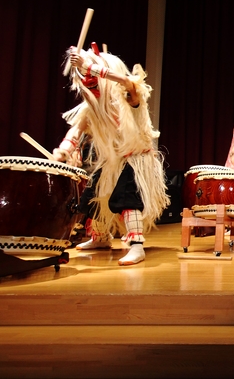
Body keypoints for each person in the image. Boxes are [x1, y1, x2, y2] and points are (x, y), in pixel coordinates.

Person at [52, 42, 169, 266]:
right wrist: (64, 150)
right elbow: (76, 130)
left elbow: (127, 81)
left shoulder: (128, 95)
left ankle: (137, 247)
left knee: (127, 197)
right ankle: (100, 238)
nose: (90, 84)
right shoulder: (92, 109)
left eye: (93, 80)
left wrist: (90, 67)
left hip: (136, 159)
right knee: (92, 198)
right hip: (112, 161)